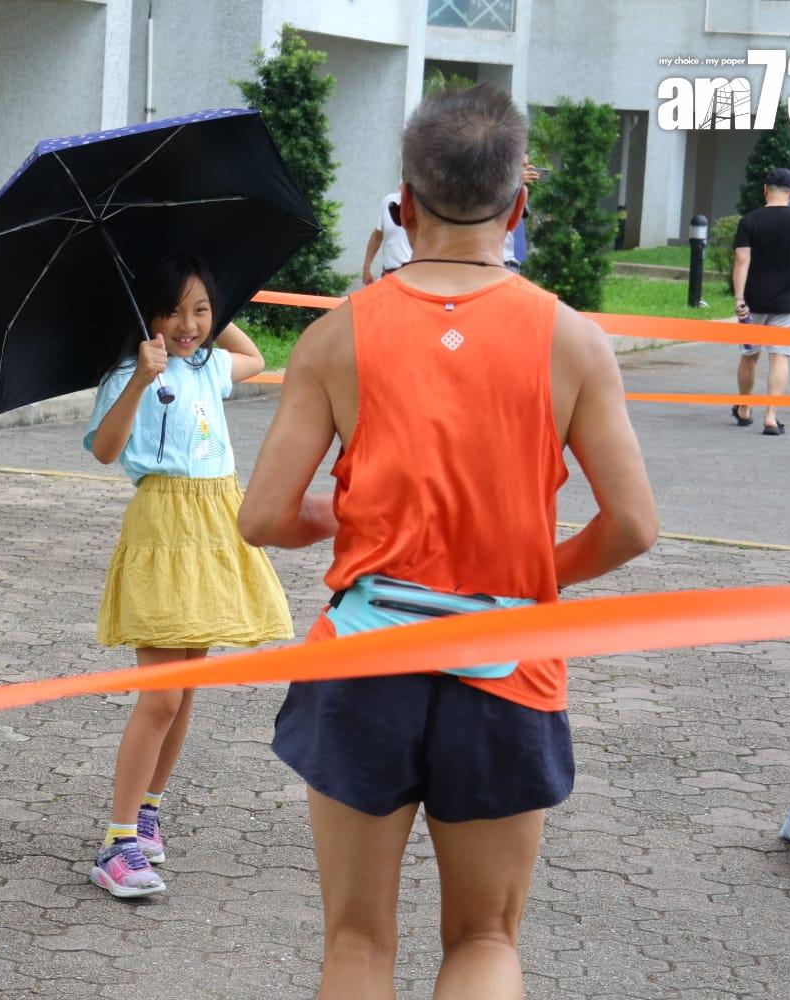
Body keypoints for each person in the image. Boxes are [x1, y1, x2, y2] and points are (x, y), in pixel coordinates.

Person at [238, 85, 657, 999]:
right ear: (519, 204)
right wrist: (533, 576)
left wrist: (340, 523)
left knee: (355, 942)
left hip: (362, 667)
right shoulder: (574, 340)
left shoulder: (336, 335)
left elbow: (263, 517)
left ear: (406, 199)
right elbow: (633, 525)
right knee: (484, 941)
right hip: (506, 670)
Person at [83, 253, 293, 899]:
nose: (190, 323)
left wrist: (214, 309)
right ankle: (117, 843)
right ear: (145, 313)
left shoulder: (207, 366)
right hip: (163, 528)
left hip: (215, 523)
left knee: (189, 686)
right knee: (162, 694)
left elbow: (253, 357)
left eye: (202, 310)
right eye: (174, 310)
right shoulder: (128, 373)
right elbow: (105, 448)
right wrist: (142, 379)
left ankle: (148, 809)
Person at [731, 167, 790, 437]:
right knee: (779, 356)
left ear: (765, 189)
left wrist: (739, 298)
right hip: (786, 302)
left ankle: (745, 408)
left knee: (749, 356)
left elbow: (741, 260)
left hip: (752, 302)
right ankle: (771, 417)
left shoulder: (749, 220)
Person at [361, 190, 412, 284]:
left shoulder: (424, 207)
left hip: (412, 276)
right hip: (389, 275)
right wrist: (366, 267)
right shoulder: (389, 201)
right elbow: (377, 235)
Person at [502, 157, 542, 272]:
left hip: (513, 264)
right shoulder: (494, 189)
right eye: (519, 165)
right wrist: (513, 182)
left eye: (525, 165)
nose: (524, 170)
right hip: (498, 262)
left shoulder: (519, 190)